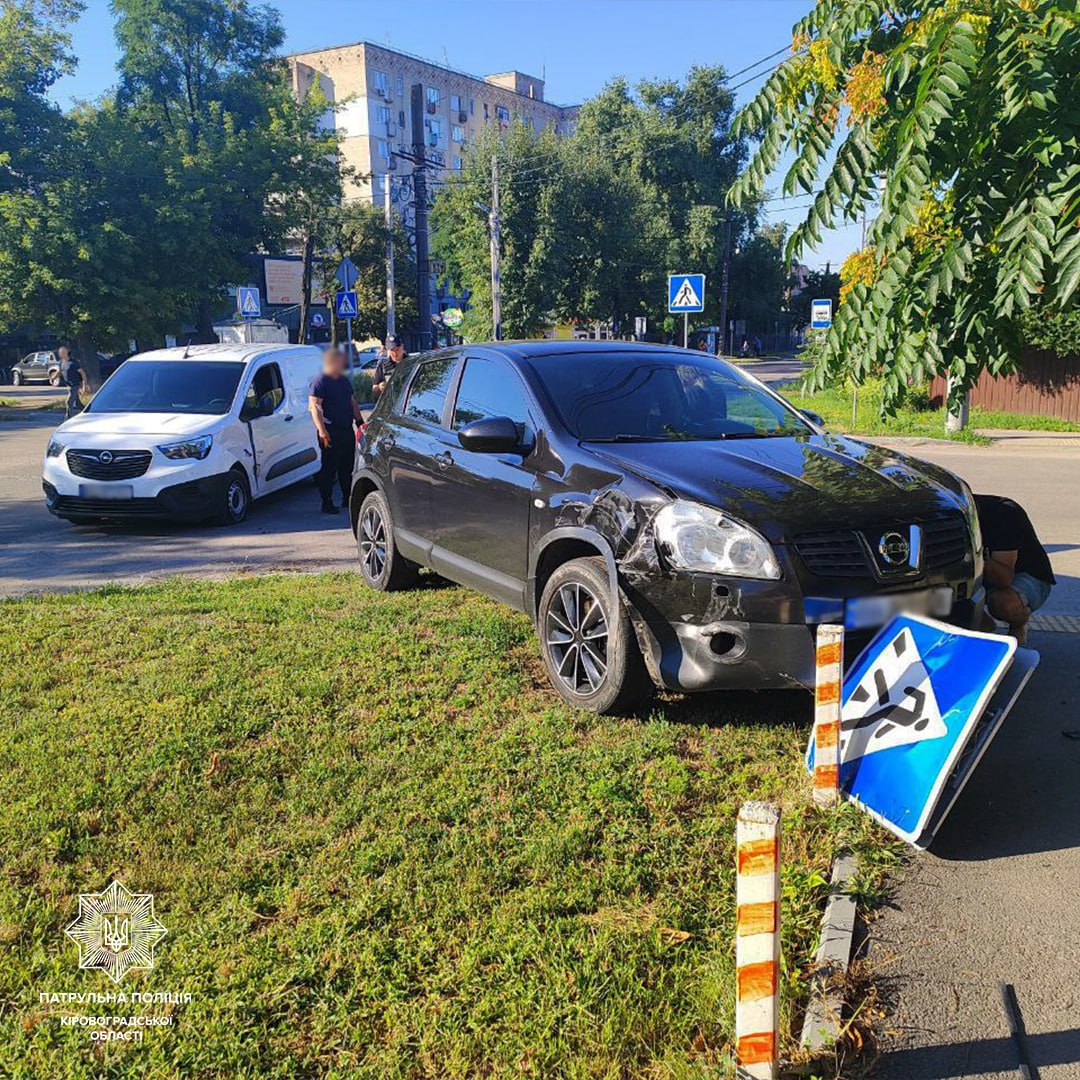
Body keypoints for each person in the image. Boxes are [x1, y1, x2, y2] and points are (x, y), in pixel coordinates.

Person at [974, 493, 1055, 644]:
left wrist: (973, 554)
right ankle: (978, 624)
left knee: (1004, 603)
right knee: (937, 598)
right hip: (982, 578)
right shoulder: (939, 517)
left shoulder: (1004, 513)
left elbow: (1003, 578)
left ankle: (1018, 627)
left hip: (1026, 575)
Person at [308, 347, 364, 515]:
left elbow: (352, 402)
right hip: (330, 432)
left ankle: (347, 499)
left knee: (347, 467)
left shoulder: (343, 381)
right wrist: (322, 430)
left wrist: (360, 422)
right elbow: (315, 407)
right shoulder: (320, 382)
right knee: (329, 469)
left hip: (346, 430)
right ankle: (327, 502)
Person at [58, 344, 87, 419]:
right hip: (69, 385)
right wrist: (53, 377)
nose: (61, 353)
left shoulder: (73, 362)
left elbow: (83, 373)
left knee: (69, 401)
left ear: (67, 352)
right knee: (78, 403)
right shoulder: (61, 362)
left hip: (75, 385)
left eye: (63, 352)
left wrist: (84, 386)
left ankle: (68, 418)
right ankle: (87, 411)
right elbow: (60, 371)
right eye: (60, 352)